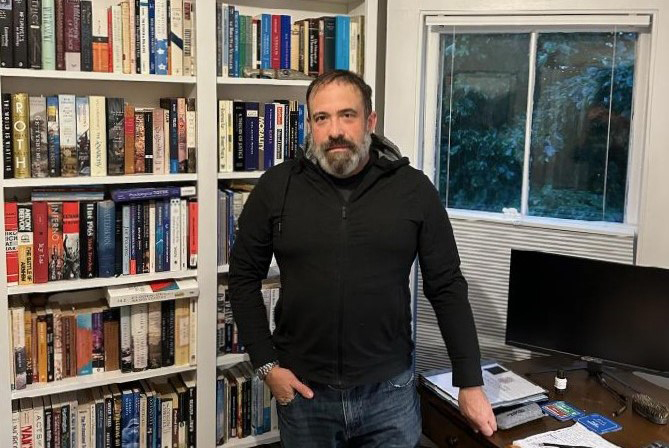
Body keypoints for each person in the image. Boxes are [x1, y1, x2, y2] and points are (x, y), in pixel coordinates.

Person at [229, 70, 496, 447]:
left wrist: (469, 381)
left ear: (370, 121)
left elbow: (447, 286)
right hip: (306, 395)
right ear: (310, 125)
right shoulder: (278, 187)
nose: (334, 130)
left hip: (389, 395)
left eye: (347, 115)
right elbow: (241, 280)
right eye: (322, 118)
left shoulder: (413, 190)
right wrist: (267, 365)